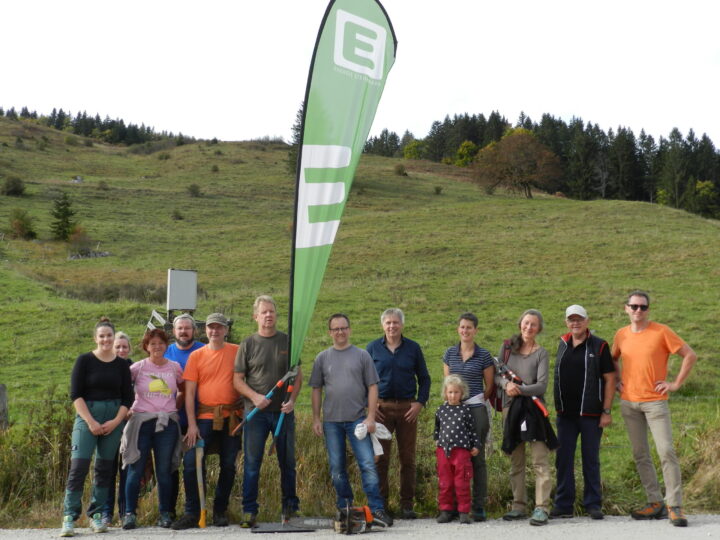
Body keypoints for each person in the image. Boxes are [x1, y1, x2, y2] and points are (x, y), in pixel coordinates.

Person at [611, 291, 697, 527]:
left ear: (648, 310)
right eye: (634, 306)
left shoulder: (661, 332)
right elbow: (612, 358)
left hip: (655, 402)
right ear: (626, 308)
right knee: (640, 454)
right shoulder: (621, 334)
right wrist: (618, 380)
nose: (638, 310)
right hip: (629, 403)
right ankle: (655, 502)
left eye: (643, 307)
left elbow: (690, 355)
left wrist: (675, 384)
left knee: (666, 452)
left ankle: (675, 505)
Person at [309, 313, 393, 528]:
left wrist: (371, 416)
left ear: (350, 329)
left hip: (358, 421)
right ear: (330, 333)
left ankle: (377, 510)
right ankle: (345, 508)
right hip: (331, 422)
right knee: (337, 468)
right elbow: (316, 389)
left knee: (367, 464)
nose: (340, 332)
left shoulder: (362, 356)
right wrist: (316, 418)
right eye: (335, 329)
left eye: (343, 328)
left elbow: (373, 387)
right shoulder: (322, 358)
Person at [60, 318, 133, 538]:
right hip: (87, 417)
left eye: (109, 335)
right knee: (78, 467)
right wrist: (90, 422)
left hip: (113, 418)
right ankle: (69, 517)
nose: (106, 339)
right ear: (95, 338)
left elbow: (127, 398)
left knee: (104, 469)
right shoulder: (84, 361)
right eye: (101, 336)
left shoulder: (122, 365)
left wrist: (116, 421)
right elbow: (75, 395)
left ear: (113, 337)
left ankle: (97, 514)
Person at [234, 296, 301, 528]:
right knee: (252, 464)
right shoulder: (248, 344)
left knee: (287, 463)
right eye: (264, 312)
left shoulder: (288, 341)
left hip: (283, 413)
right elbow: (237, 380)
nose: (268, 315)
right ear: (256, 316)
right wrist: (255, 397)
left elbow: (297, 375)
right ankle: (249, 511)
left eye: (272, 311)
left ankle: (290, 509)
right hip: (256, 415)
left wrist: (292, 400)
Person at [171, 313, 242, 530]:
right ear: (206, 330)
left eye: (219, 327)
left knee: (229, 464)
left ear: (226, 330)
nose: (215, 331)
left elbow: (247, 379)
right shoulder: (197, 356)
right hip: (203, 418)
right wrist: (191, 425)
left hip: (231, 417)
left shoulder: (237, 351)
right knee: (191, 463)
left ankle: (220, 510)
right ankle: (193, 512)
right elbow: (190, 394)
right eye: (211, 328)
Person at [551, 305, 615, 520]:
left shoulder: (599, 345)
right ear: (566, 322)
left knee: (590, 459)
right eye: (571, 320)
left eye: (579, 319)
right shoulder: (562, 343)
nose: (575, 323)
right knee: (563, 459)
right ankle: (563, 504)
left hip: (590, 414)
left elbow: (609, 379)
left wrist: (606, 411)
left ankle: (593, 504)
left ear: (587, 321)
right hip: (565, 415)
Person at [366, 308, 430, 519]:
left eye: (395, 323)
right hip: (381, 410)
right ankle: (381, 506)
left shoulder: (413, 348)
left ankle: (406, 505)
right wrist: (371, 407)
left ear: (402, 325)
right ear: (382, 325)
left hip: (407, 410)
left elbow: (425, 378)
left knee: (407, 459)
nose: (392, 326)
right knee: (380, 459)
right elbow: (363, 380)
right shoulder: (373, 348)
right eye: (388, 323)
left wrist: (420, 403)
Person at [496, 309, 556, 526]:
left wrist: (518, 389)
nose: (528, 327)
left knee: (540, 459)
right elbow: (497, 376)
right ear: (520, 323)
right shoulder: (507, 348)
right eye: (526, 323)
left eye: (533, 325)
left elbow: (541, 385)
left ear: (539, 328)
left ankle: (542, 508)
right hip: (511, 410)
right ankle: (518, 505)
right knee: (516, 459)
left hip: (534, 411)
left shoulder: (541, 353)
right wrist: (506, 384)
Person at [121, 329, 183, 529]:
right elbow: (123, 388)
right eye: (152, 343)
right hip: (141, 423)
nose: (157, 347)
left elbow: (183, 389)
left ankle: (165, 513)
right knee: (135, 468)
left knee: (164, 470)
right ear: (146, 347)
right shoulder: (137, 368)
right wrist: (128, 409)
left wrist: (175, 407)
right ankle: (129, 513)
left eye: (161, 343)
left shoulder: (175, 367)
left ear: (166, 345)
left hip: (167, 424)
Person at [441, 312, 495, 521]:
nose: (465, 331)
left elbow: (489, 386)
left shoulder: (483, 355)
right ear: (458, 329)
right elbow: (448, 385)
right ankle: (454, 506)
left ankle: (478, 505)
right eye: (462, 327)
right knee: (453, 457)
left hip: (474, 410)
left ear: (475, 330)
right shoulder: (449, 354)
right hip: (453, 411)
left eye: (469, 327)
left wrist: (475, 402)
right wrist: (454, 404)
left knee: (476, 456)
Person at [164, 313, 205, 519]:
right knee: (170, 466)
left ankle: (194, 511)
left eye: (187, 328)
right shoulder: (166, 353)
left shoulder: (202, 351)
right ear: (174, 331)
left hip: (198, 420)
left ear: (194, 331)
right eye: (180, 328)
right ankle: (168, 511)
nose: (183, 331)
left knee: (192, 465)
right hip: (172, 420)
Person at [434, 375, 480, 525]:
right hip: (443, 451)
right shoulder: (441, 409)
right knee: (445, 482)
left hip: (461, 452)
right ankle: (446, 511)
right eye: (450, 392)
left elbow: (472, 430)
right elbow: (437, 428)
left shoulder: (465, 410)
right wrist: (436, 440)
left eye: (456, 392)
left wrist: (475, 445)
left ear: (462, 393)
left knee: (462, 482)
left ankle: (464, 512)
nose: (453, 395)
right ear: (445, 393)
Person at [101, 332, 134, 526]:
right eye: (117, 347)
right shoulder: (105, 369)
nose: (121, 350)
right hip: (109, 424)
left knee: (127, 469)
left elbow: (141, 394)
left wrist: (132, 410)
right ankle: (105, 513)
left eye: (124, 347)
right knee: (107, 469)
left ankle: (125, 512)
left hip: (130, 425)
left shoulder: (135, 369)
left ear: (129, 349)